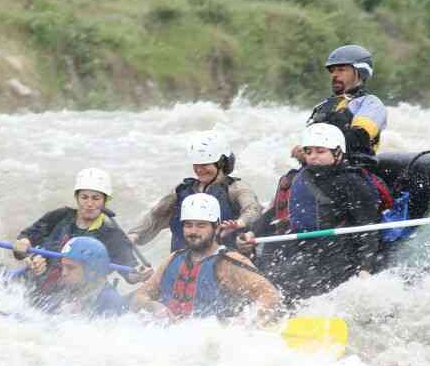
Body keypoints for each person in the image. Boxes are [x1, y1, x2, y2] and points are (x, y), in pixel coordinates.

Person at [239, 124, 382, 302]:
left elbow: (368, 227)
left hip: (336, 252)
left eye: (320, 151)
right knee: (264, 278)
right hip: (301, 245)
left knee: (287, 284)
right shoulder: (301, 176)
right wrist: (252, 232)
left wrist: (365, 268)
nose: (313, 156)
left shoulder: (351, 182)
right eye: (308, 151)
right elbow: (278, 211)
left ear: (337, 152)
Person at [130, 193, 282, 324]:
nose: (193, 231)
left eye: (201, 225)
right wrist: (153, 306)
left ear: (216, 227)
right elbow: (139, 297)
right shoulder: (173, 259)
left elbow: (270, 296)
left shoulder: (229, 262)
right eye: (188, 225)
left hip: (211, 343)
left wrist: (243, 323)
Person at [13, 167, 153, 290]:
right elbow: (25, 240)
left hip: (75, 297)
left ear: (105, 201)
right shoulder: (59, 216)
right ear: (76, 198)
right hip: (37, 283)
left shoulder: (113, 235)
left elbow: (129, 272)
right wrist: (24, 248)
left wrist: (140, 274)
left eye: (96, 198)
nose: (89, 204)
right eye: (84, 197)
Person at [127, 132, 262, 252]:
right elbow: (156, 215)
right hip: (184, 264)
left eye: (205, 164)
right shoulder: (182, 190)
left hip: (225, 260)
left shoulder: (236, 188)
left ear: (220, 163)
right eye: (196, 164)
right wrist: (134, 235)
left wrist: (240, 223)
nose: (199, 169)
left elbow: (253, 210)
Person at [302, 44, 388, 159]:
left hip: (354, 168)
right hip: (321, 167)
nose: (334, 75)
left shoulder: (371, 103)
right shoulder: (324, 105)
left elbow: (359, 138)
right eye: (332, 71)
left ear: (359, 72)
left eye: (341, 70)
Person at [29, 236, 128, 318]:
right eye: (63, 266)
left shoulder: (110, 301)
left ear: (92, 271)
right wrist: (35, 275)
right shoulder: (70, 288)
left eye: (70, 268)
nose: (63, 273)